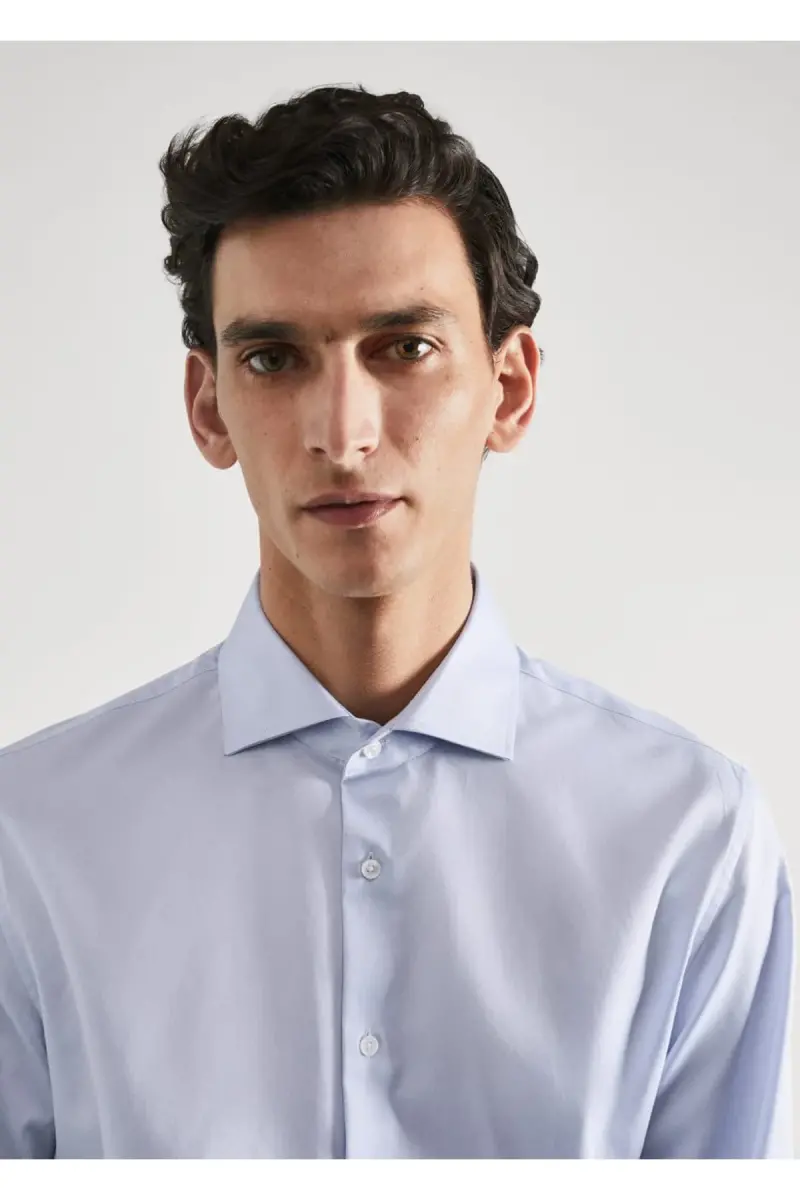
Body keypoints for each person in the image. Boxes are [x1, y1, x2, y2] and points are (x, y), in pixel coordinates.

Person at [0, 83, 794, 1160]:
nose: (342, 434)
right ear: (207, 406)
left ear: (510, 388)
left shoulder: (686, 838)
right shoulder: (33, 839)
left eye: (404, 347)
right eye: (273, 358)